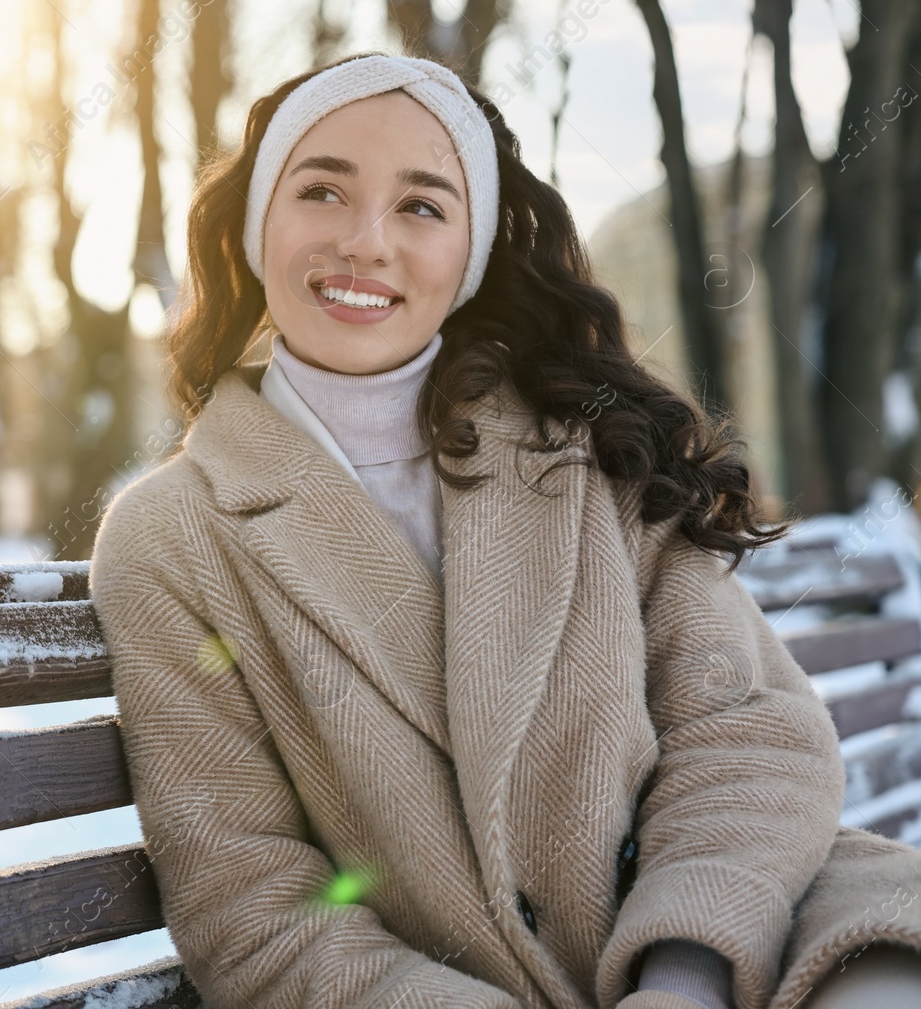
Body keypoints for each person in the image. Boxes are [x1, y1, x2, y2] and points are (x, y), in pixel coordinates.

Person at [87, 51, 921, 1009]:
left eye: (422, 206)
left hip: (745, 936)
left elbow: (747, 729)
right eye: (321, 190)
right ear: (253, 224)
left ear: (470, 253)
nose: (364, 242)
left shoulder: (594, 447)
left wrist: (684, 978)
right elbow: (260, 909)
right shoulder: (173, 537)